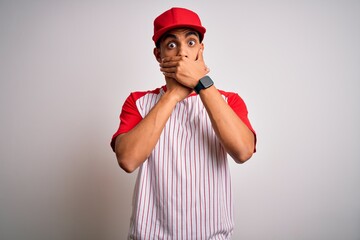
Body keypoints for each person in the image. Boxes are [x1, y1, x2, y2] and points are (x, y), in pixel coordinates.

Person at [111, 7, 256, 239]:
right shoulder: (138, 102)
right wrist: (174, 95)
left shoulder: (229, 101)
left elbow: (243, 151)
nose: (182, 53)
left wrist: (202, 83)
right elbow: (128, 160)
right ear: (158, 55)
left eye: (190, 42)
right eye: (171, 45)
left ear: (201, 49)